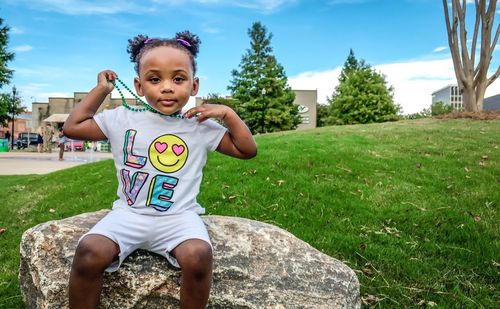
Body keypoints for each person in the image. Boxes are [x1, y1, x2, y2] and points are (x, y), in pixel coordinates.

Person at [64, 31, 257, 308]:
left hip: (178, 218)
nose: (167, 87)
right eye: (155, 79)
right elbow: (73, 127)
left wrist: (228, 115)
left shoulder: (199, 125)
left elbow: (246, 150)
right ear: (139, 86)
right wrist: (101, 91)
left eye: (178, 79)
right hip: (128, 215)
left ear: (194, 85)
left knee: (198, 255)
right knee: (89, 251)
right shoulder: (122, 118)